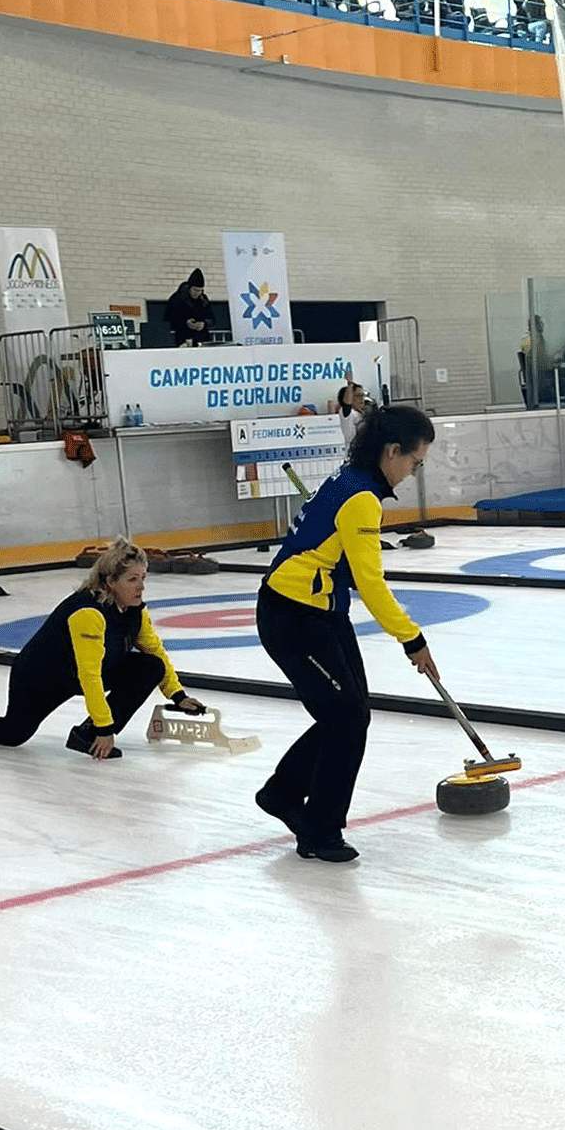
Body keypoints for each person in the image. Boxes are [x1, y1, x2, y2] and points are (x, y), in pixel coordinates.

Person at [255, 405, 439, 862]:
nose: (414, 472)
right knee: (345, 719)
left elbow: (350, 567)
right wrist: (411, 638)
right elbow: (372, 582)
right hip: (293, 617)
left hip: (322, 611)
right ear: (392, 451)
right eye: (415, 462)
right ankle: (318, 830)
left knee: (350, 714)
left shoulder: (354, 481)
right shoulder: (361, 497)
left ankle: (283, 794)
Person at [0, 538, 204, 759]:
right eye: (133, 580)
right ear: (110, 582)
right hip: (41, 677)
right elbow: (89, 675)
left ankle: (85, 735)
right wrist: (104, 728)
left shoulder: (134, 611)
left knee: (150, 665)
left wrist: (177, 695)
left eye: (143, 578)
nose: (141, 587)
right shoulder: (88, 613)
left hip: (78, 673)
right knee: (14, 733)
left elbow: (155, 651)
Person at [165, 268, 214, 348]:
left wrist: (204, 324)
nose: (197, 293)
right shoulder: (177, 299)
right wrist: (185, 323)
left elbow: (212, 320)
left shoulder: (203, 300)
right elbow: (169, 320)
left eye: (200, 291)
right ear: (189, 288)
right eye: (195, 290)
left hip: (201, 339)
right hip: (182, 340)